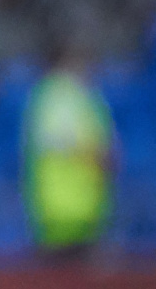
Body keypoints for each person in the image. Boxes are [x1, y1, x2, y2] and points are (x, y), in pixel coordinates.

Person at [21, 43, 115, 252]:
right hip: (62, 208)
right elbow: (58, 141)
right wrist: (97, 156)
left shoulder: (81, 96)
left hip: (82, 206)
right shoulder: (58, 95)